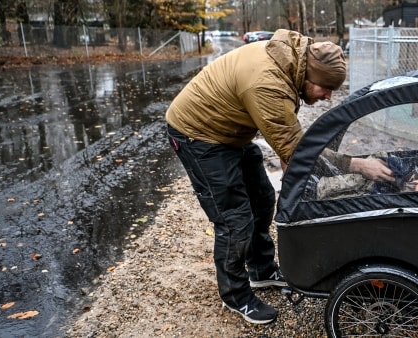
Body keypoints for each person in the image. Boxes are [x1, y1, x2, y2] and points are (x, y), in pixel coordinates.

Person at [165, 29, 393, 325]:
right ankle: (235, 295)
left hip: (231, 132)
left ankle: (260, 270)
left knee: (262, 199)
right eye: (325, 88)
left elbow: (291, 148)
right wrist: (359, 165)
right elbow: (299, 153)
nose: (328, 96)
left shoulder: (291, 62)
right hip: (199, 135)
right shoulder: (267, 85)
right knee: (235, 219)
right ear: (309, 77)